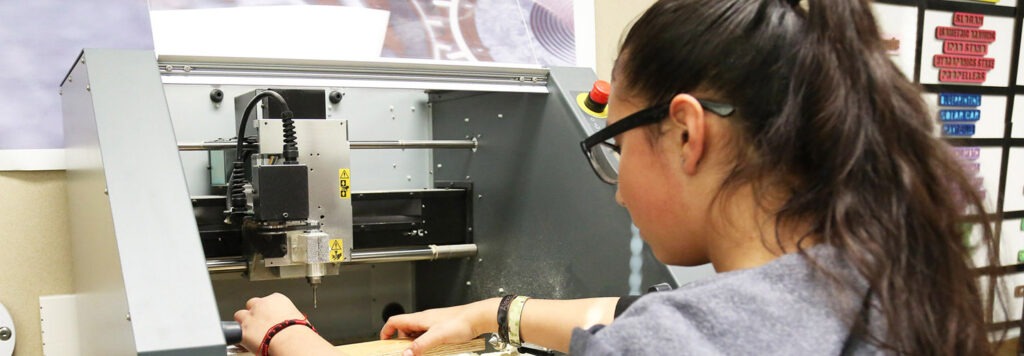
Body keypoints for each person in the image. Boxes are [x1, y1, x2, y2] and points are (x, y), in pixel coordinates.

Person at [234, 0, 1003, 354]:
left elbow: (656, 331)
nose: (622, 189)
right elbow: (635, 311)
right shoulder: (883, 277)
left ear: (686, 132)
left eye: (615, 144)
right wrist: (490, 314)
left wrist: (288, 335)